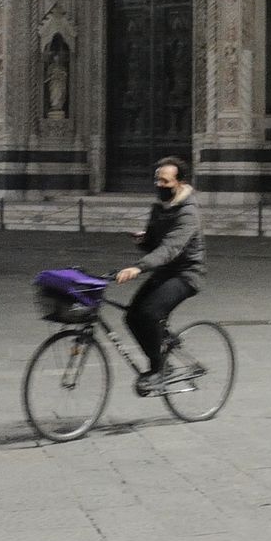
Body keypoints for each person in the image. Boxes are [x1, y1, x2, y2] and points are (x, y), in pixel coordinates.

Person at [114, 156, 207, 395]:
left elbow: (171, 248)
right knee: (132, 317)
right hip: (164, 272)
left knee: (150, 313)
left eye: (165, 181)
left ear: (179, 183)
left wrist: (138, 267)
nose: (159, 185)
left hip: (186, 275)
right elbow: (157, 244)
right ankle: (163, 347)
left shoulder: (188, 213)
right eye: (157, 180)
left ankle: (159, 369)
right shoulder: (159, 208)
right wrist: (144, 239)